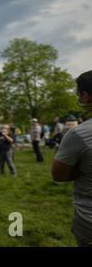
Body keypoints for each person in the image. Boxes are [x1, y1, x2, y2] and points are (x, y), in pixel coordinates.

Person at [52, 70, 92, 247]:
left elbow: (59, 175)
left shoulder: (78, 133)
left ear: (85, 96)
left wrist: (79, 171)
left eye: (78, 95)